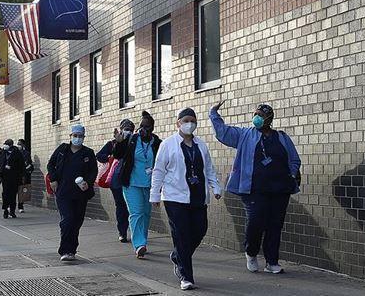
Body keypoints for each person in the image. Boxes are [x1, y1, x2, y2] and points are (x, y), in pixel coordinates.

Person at [210, 101, 301, 274]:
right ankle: (251, 252)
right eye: (255, 114)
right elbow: (223, 132)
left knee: (275, 225)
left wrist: (291, 173)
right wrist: (214, 113)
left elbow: (294, 159)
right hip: (253, 189)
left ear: (269, 118)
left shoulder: (281, 137)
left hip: (280, 189)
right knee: (256, 221)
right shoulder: (245, 134)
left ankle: (272, 261)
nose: (257, 118)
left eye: (261, 115)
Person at [151, 107, 221, 291]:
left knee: (200, 230)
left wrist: (215, 187)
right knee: (181, 234)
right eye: (186, 120)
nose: (190, 124)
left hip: (198, 196)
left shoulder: (201, 145)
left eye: (193, 120)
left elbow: (209, 169)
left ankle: (177, 256)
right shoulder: (168, 144)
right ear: (178, 123)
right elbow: (159, 170)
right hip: (175, 197)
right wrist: (155, 194)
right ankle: (186, 276)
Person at [112, 111, 161, 258]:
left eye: (146, 127)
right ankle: (139, 244)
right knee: (136, 213)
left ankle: (142, 241)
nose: (142, 130)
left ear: (152, 128)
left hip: (149, 185)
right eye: (141, 126)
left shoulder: (157, 143)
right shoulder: (131, 140)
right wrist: (119, 142)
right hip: (131, 183)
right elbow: (118, 155)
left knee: (146, 214)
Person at [47, 124, 97, 262]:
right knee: (67, 220)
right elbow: (51, 164)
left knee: (76, 222)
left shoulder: (88, 153)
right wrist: (53, 179)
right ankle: (65, 250)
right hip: (63, 192)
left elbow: (93, 171)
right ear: (70, 136)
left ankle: (72, 250)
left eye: (80, 136)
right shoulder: (63, 149)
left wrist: (88, 182)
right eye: (75, 136)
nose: (77, 138)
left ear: (83, 137)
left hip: (80, 194)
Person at [96, 119, 132, 243]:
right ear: (120, 130)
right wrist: (109, 157)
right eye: (125, 129)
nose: (128, 131)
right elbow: (99, 155)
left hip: (131, 180)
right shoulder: (112, 144)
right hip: (116, 180)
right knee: (121, 206)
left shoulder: (134, 142)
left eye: (130, 129)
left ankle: (134, 231)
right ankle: (122, 232)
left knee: (132, 207)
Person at [0, 139, 25, 219]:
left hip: (14, 177)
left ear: (11, 145)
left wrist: (23, 176)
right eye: (4, 144)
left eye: (6, 144)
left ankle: (12, 211)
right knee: (5, 194)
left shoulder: (17, 153)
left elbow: (22, 166)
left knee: (13, 194)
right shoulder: (1, 152)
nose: (5, 145)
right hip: (4, 177)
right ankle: (5, 210)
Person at [17, 139, 34, 213]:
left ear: (23, 145)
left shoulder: (26, 153)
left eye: (20, 144)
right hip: (16, 174)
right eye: (18, 144)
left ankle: (20, 206)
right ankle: (10, 205)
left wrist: (26, 169)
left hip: (23, 174)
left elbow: (29, 163)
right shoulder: (15, 152)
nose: (18, 145)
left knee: (21, 190)